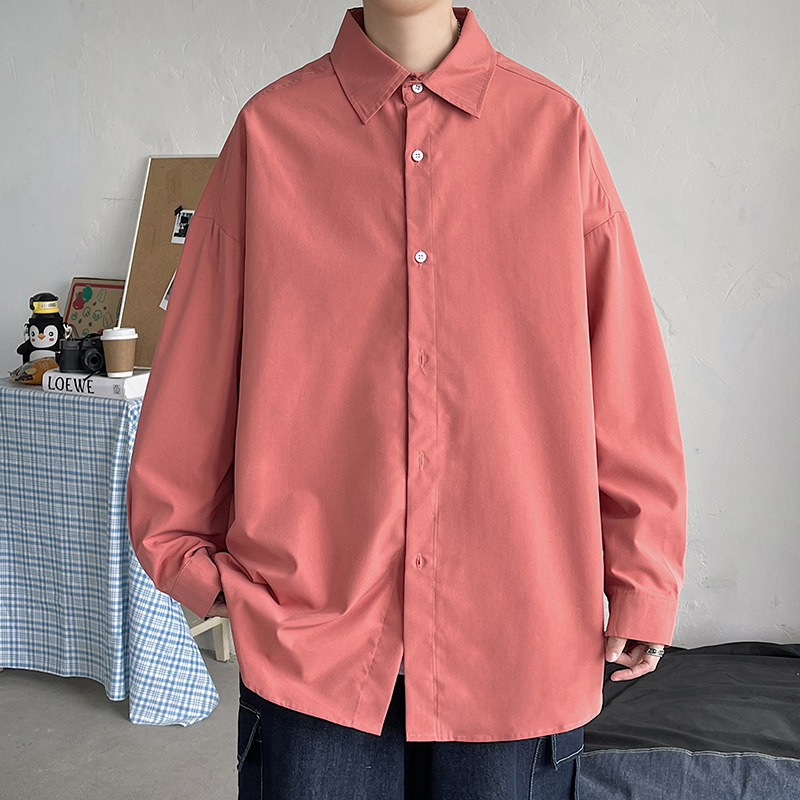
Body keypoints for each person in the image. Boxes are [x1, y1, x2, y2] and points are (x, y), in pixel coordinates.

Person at [127, 2, 687, 798]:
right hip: (310, 634)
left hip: (517, 630)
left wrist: (643, 579)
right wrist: (192, 565)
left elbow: (624, 380)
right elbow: (198, 370)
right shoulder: (271, 134)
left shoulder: (552, 130)